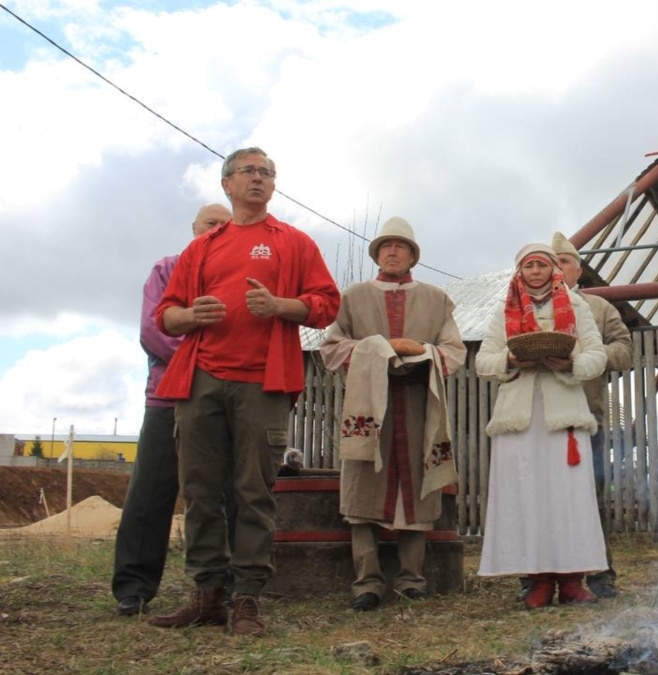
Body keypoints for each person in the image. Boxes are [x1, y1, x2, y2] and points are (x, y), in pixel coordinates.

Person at [149, 147, 340, 635]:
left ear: (273, 187)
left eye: (267, 173)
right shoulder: (202, 247)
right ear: (227, 184)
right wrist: (191, 317)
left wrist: (281, 305)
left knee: (254, 491)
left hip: (263, 380)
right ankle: (208, 595)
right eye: (248, 172)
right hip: (201, 379)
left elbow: (325, 305)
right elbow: (166, 314)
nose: (259, 179)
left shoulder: (294, 243)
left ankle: (248, 599)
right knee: (199, 490)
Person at [319, 217, 466, 612]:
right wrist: (382, 348)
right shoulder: (353, 297)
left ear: (413, 254)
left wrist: (420, 352)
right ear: (376, 254)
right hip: (368, 407)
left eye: (401, 246)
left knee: (418, 486)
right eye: (386, 246)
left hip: (418, 404)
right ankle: (365, 583)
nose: (393, 252)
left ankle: (412, 580)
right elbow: (331, 348)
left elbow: (453, 350)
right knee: (363, 489)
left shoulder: (436, 299)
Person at [111, 203, 231, 617]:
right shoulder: (167, 268)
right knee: (150, 492)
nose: (216, 229)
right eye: (209, 223)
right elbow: (154, 330)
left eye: (223, 225)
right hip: (168, 395)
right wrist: (206, 363)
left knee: (224, 492)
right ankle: (134, 587)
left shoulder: (233, 274)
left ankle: (222, 588)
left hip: (223, 399)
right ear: (193, 229)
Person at [476, 243, 609, 609]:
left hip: (564, 415)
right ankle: (537, 580)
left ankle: (572, 581)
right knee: (526, 496)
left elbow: (597, 356)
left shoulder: (577, 306)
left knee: (569, 498)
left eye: (541, 265)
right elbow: (483, 362)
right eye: (528, 266)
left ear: (554, 270)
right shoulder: (503, 312)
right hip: (519, 419)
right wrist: (510, 357)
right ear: (519, 272)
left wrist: (571, 365)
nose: (535, 271)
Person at [550, 231, 633, 598]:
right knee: (542, 498)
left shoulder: (599, 310)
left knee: (590, 497)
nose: (556, 269)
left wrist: (589, 360)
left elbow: (625, 350)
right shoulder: (523, 310)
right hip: (540, 420)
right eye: (550, 263)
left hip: (588, 416)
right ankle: (538, 577)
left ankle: (600, 575)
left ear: (577, 271)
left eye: (563, 262)